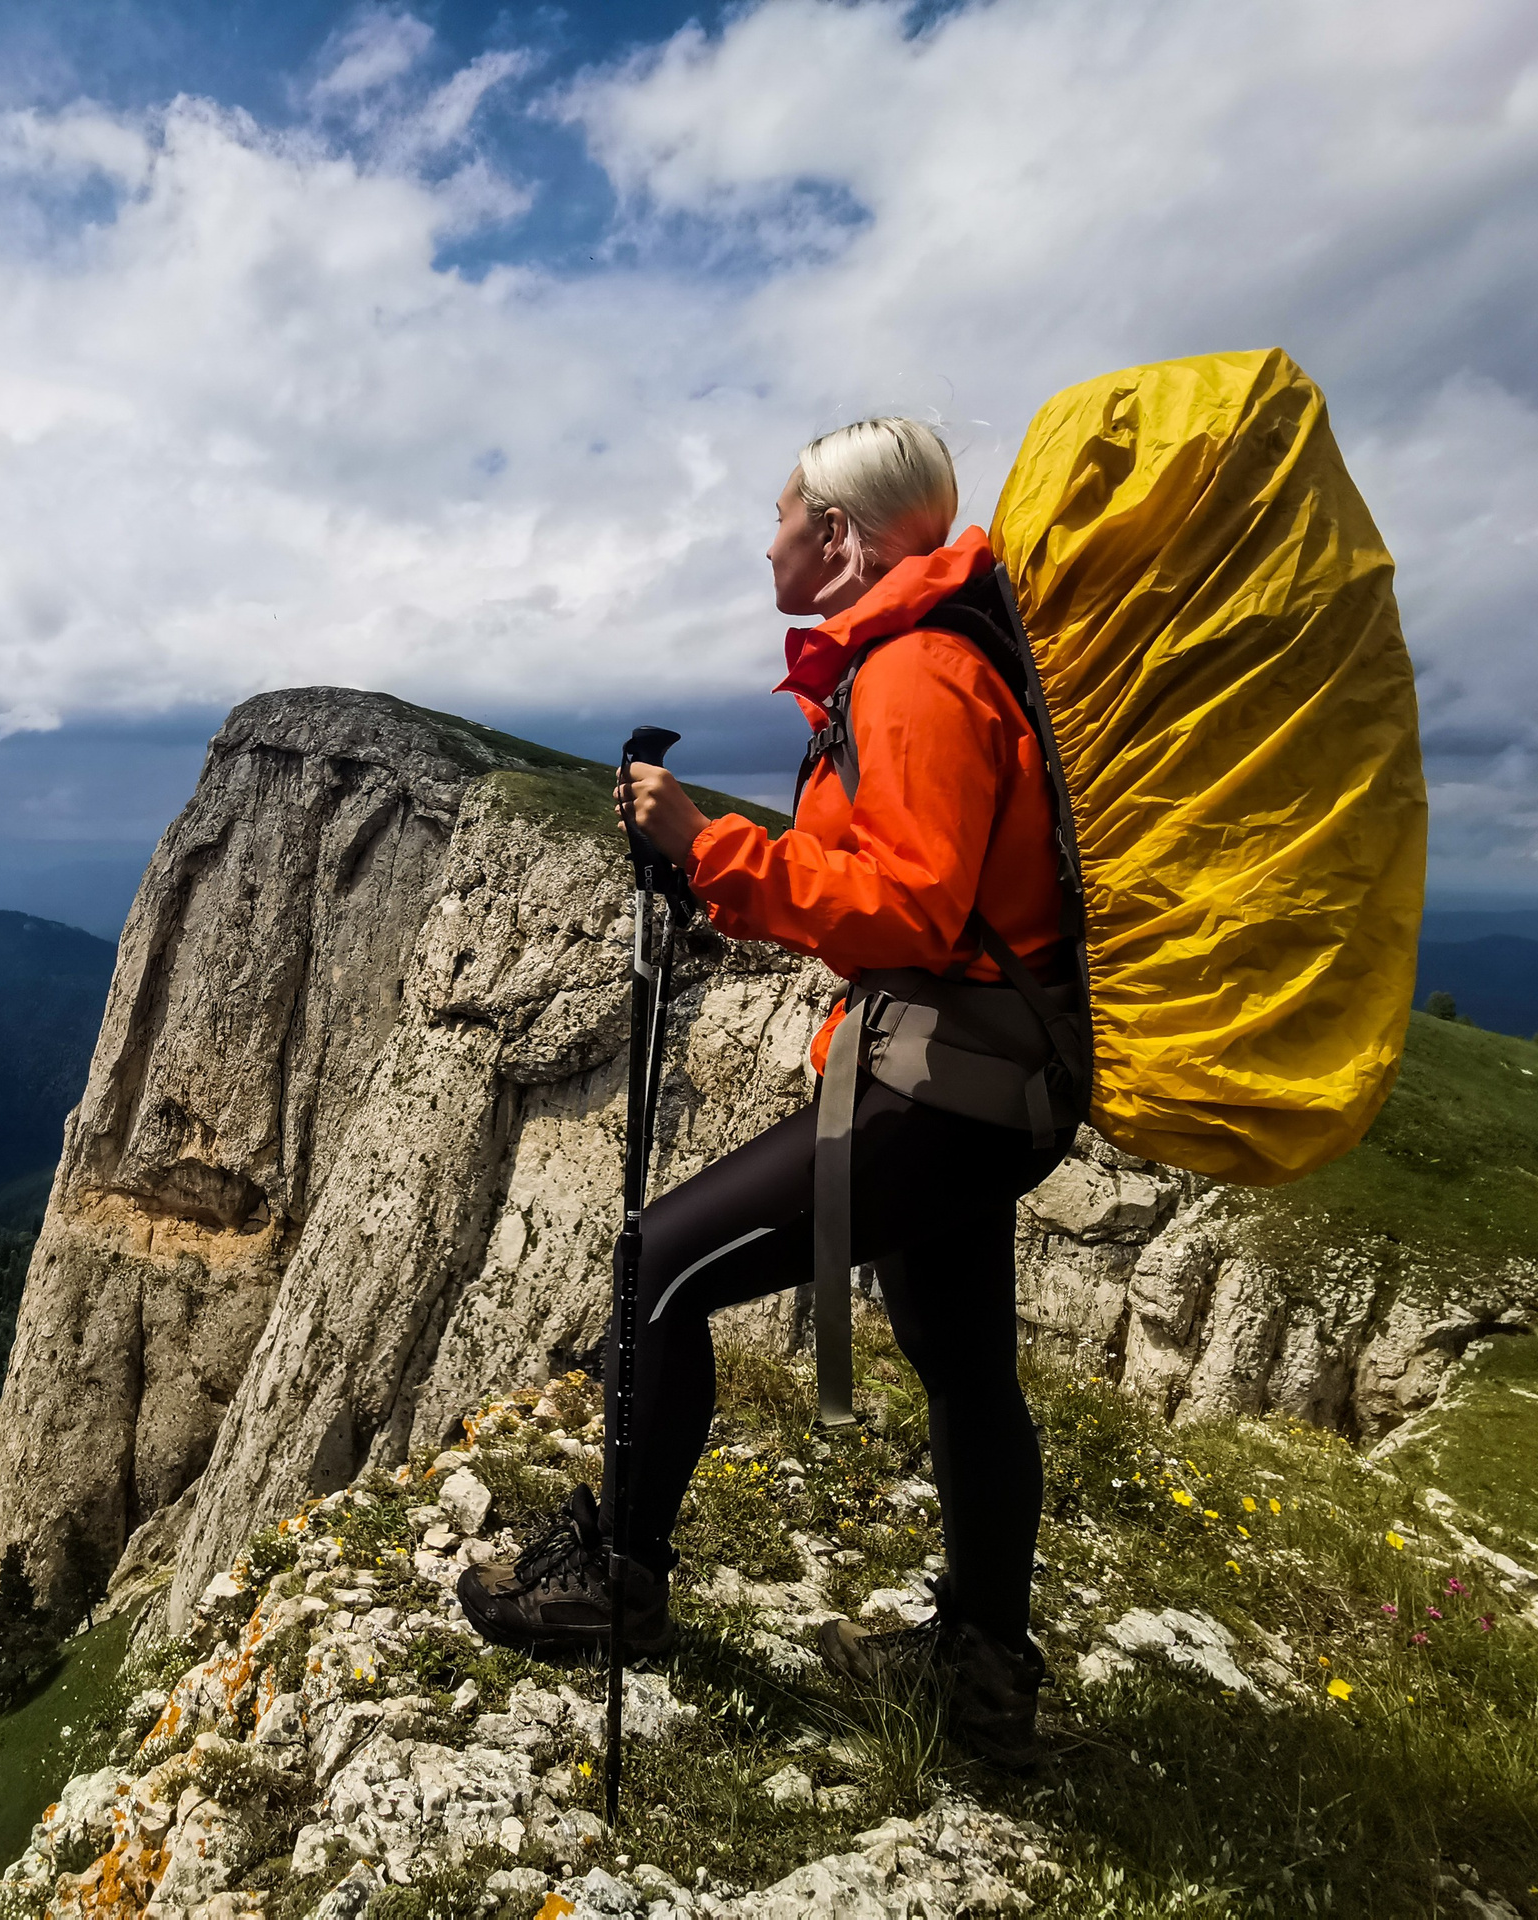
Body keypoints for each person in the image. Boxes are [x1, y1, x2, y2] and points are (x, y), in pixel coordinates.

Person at [455, 417, 1073, 1771]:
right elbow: (896, 886)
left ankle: (615, 1576)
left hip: (942, 1084)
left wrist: (705, 841)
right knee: (965, 1363)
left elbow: (913, 907)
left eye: (785, 515)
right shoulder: (916, 666)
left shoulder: (912, 675)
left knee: (654, 1267)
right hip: (978, 1075)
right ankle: (982, 1676)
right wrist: (730, 880)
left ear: (840, 538)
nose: (770, 539)